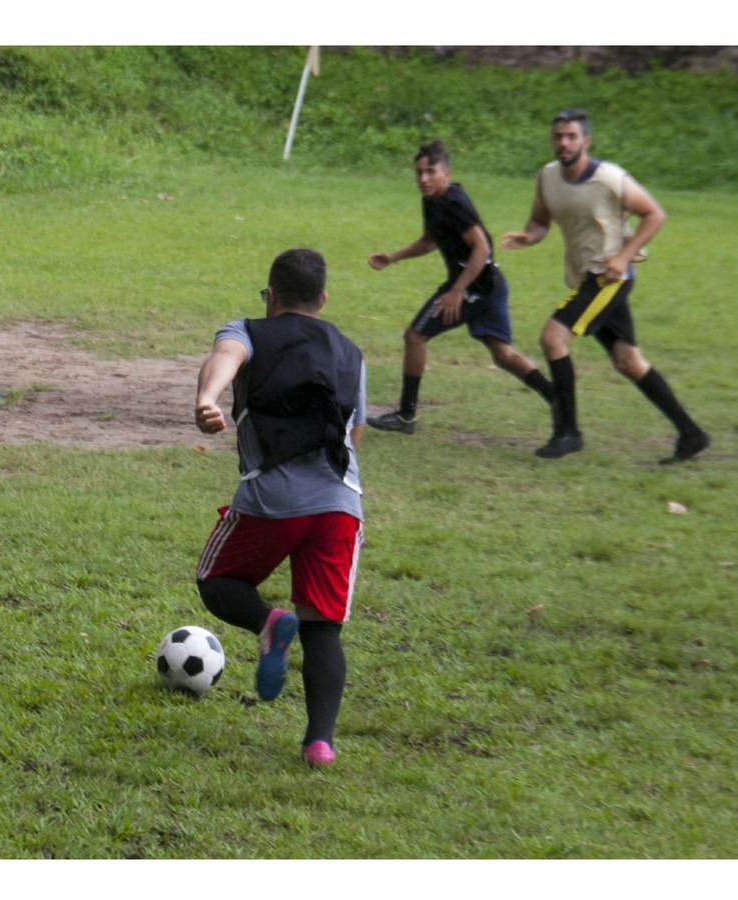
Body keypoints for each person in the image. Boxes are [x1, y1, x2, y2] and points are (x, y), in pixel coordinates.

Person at [193, 248, 366, 769]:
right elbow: (355, 434)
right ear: (324, 299)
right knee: (322, 626)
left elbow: (226, 357)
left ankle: (268, 623)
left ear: (271, 296)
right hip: (341, 504)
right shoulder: (351, 351)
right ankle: (320, 743)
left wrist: (208, 397)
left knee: (215, 581)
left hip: (273, 498)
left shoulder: (247, 328)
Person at [501, 109, 710, 462]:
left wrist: (624, 256)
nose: (563, 142)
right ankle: (691, 434)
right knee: (628, 361)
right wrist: (529, 236)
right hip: (589, 275)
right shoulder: (548, 177)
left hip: (609, 277)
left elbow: (654, 213)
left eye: (571, 136)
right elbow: (539, 221)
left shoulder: (610, 177)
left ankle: (568, 432)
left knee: (553, 338)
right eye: (558, 136)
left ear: (586, 141)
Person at [366, 141, 554, 434]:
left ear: (447, 174)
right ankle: (558, 399)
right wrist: (393, 258)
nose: (423, 178)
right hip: (491, 285)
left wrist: (456, 291)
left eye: (431, 172)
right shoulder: (432, 200)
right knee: (502, 355)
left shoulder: (454, 203)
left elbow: (482, 248)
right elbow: (430, 240)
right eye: (419, 172)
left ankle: (405, 416)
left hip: (472, 288)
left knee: (415, 336)